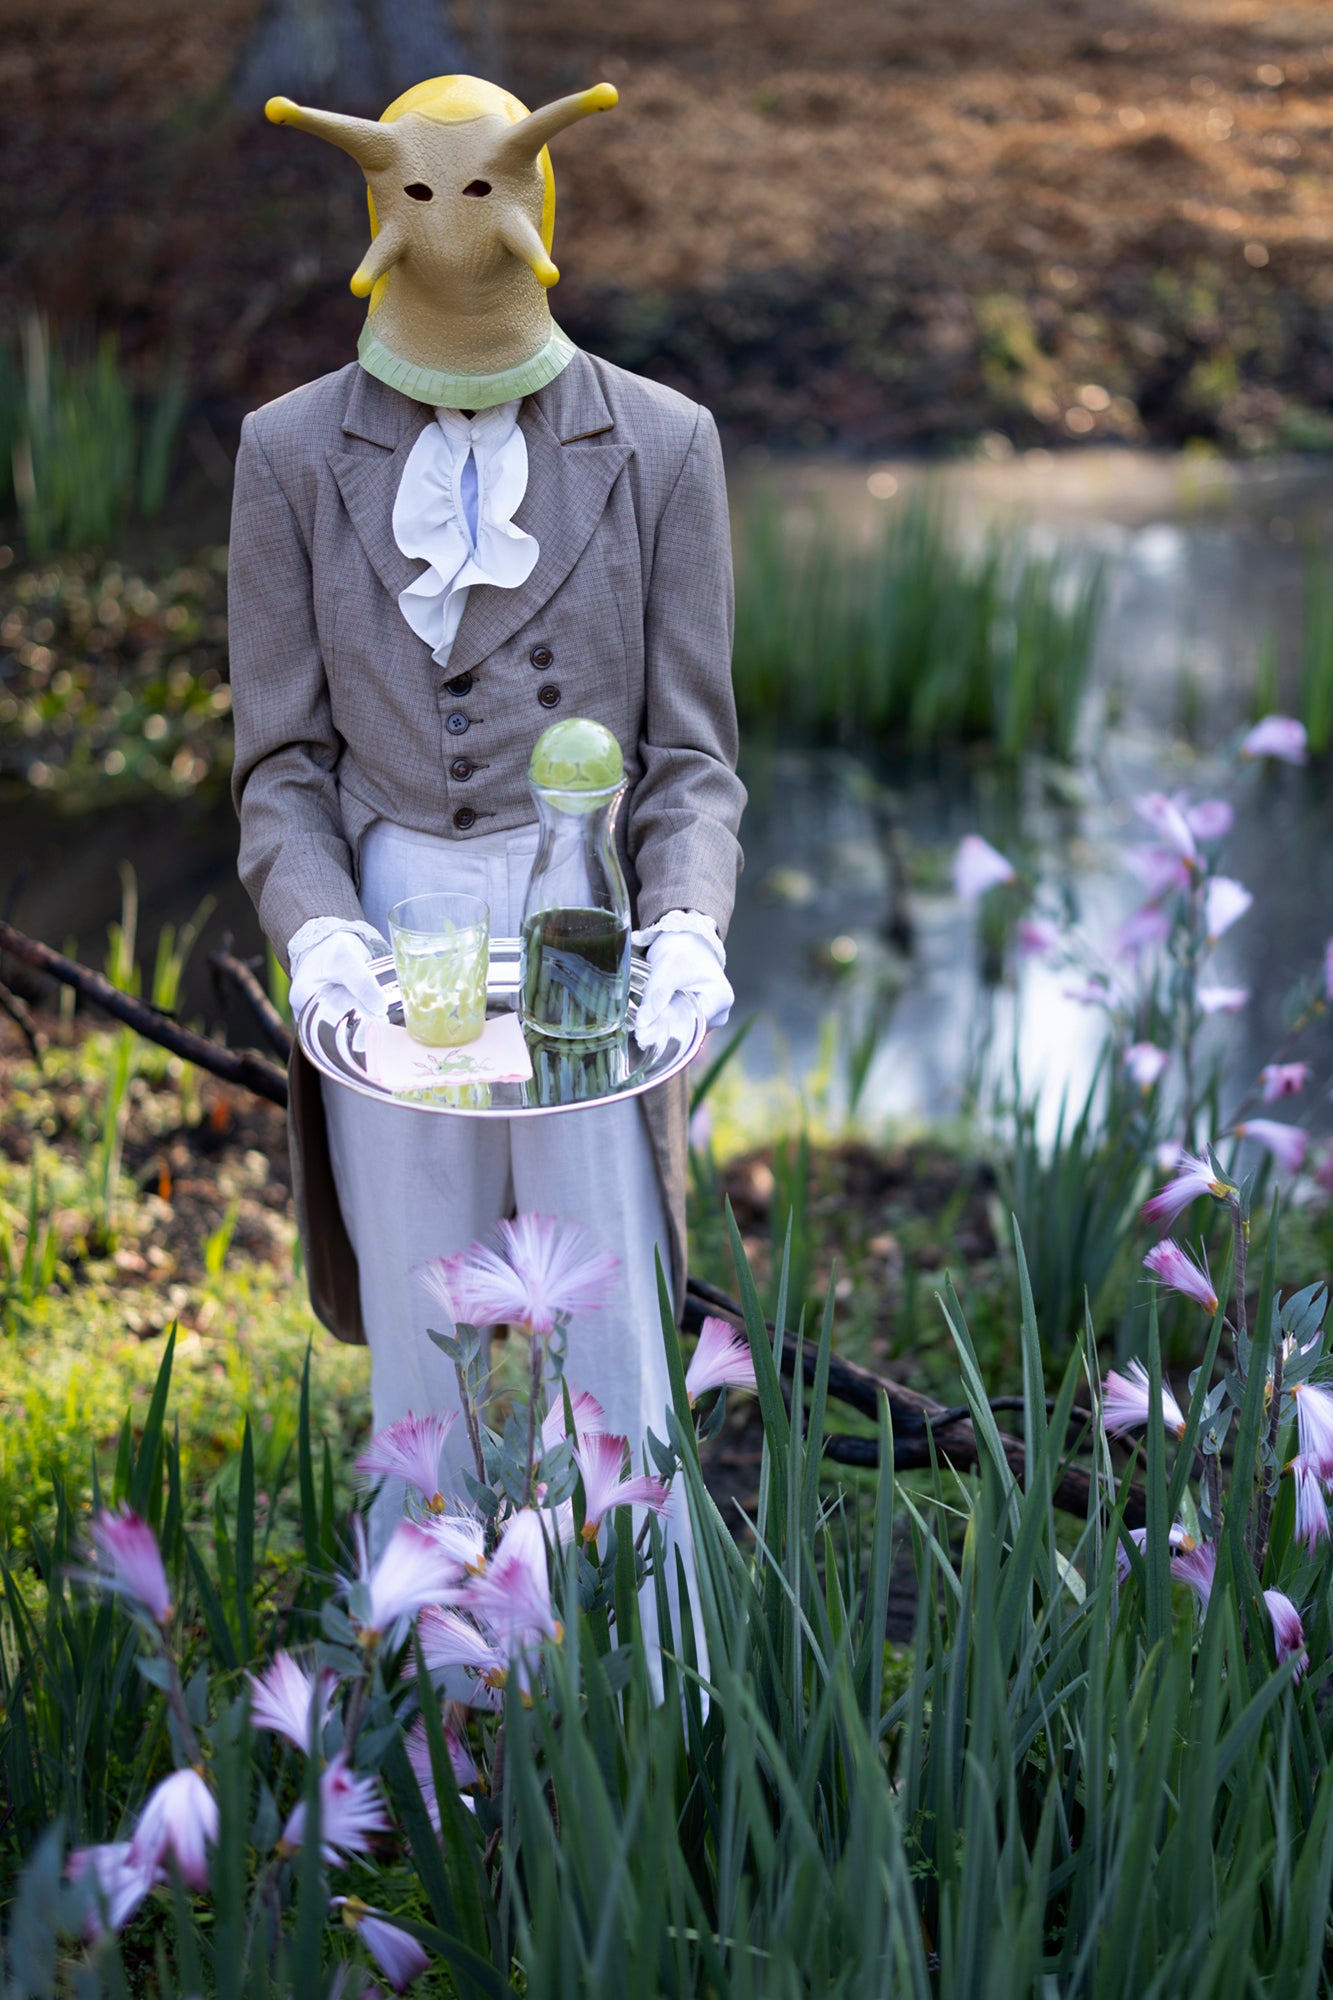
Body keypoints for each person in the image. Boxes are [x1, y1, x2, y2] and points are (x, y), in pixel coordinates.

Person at [227, 73, 745, 1566]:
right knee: (422, 1335)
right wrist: (318, 933)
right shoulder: (290, 453)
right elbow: (279, 766)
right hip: (392, 930)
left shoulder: (660, 446)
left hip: (586, 924)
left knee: (607, 1335)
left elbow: (691, 758)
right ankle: (433, 1714)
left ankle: (647, 1699)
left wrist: (691, 923)